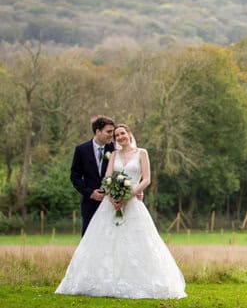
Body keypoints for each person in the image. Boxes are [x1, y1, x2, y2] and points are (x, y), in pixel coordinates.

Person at [56, 123, 186, 299]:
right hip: (111, 204)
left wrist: (128, 195)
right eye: (116, 135)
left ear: (129, 134)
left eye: (122, 133)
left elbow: (146, 179)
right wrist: (113, 197)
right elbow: (107, 178)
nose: (119, 137)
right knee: (105, 242)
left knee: (137, 242)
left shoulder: (142, 153)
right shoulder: (114, 154)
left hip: (132, 203)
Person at [70, 115, 115, 236]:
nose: (112, 135)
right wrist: (90, 193)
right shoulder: (81, 150)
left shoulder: (115, 148)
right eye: (109, 131)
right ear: (98, 131)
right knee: (89, 237)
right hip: (89, 203)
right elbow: (75, 176)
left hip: (111, 201)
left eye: (113, 131)